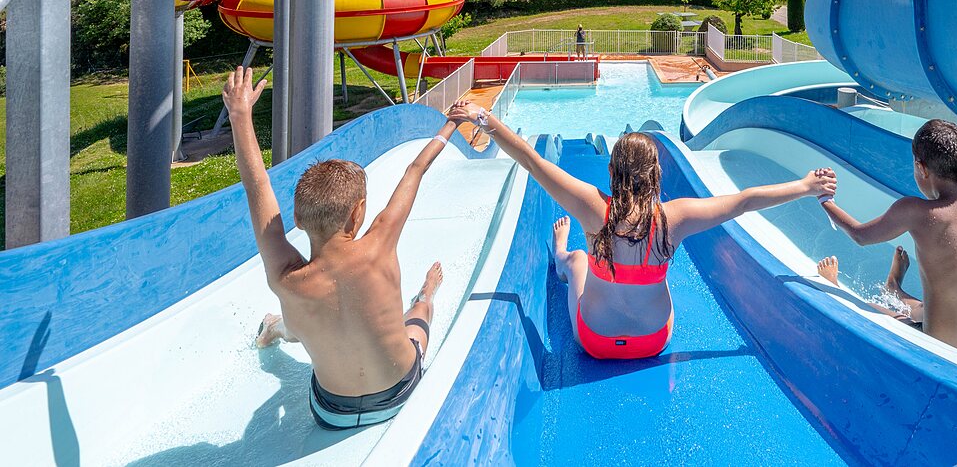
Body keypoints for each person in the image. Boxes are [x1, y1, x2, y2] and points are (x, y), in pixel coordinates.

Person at [447, 100, 836, 360]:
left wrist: (485, 117)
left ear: (612, 171)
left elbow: (531, 161)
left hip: (595, 341)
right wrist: (805, 186)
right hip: (653, 342)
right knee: (658, 274)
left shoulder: (593, 208)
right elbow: (747, 199)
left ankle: (563, 257)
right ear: (656, 174)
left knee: (581, 259)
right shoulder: (676, 217)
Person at [222, 66, 454, 429]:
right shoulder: (380, 243)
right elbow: (414, 170)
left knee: (300, 323)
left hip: (332, 413)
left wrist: (240, 116)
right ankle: (426, 293)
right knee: (419, 317)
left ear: (296, 219)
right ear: (358, 213)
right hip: (399, 394)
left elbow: (257, 188)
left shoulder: (285, 277)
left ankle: (275, 327)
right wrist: (451, 123)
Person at [815, 55, 957, 372]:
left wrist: (824, 199)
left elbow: (859, 235)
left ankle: (844, 287)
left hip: (949, 364)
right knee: (937, 304)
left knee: (875, 311)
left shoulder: (918, 211)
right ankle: (896, 288)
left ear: (921, 169)